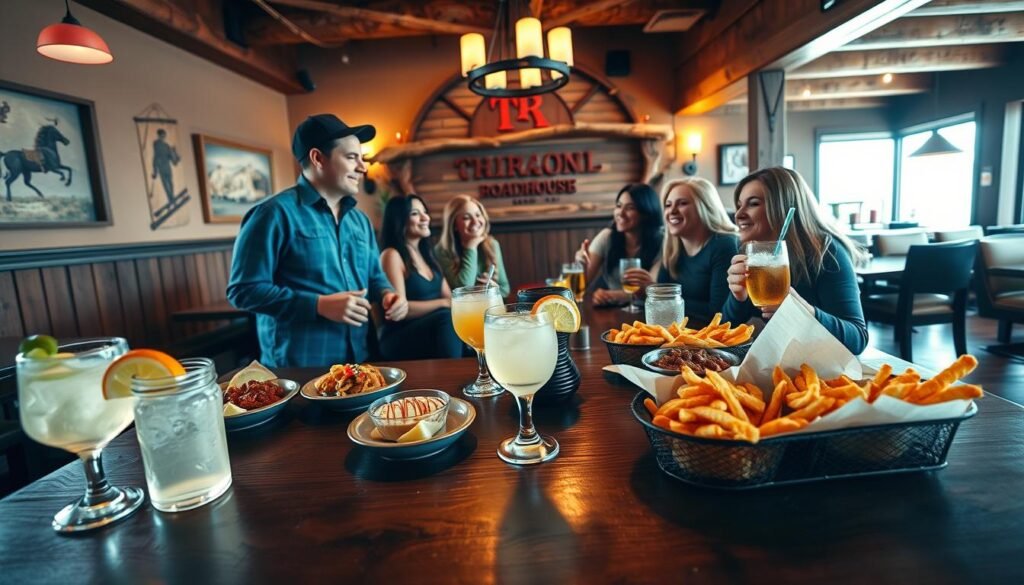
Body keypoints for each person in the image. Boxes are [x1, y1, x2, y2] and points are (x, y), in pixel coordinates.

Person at [226, 114, 407, 367]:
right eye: (351, 157)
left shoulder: (360, 221)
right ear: (318, 158)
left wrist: (389, 294)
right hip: (300, 369)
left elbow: (375, 276)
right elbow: (243, 291)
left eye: (361, 158)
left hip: (360, 362)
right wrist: (317, 305)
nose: (363, 168)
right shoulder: (273, 214)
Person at [724, 167, 868, 354]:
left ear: (783, 207)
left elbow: (857, 338)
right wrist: (738, 298)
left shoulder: (827, 252)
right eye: (739, 205)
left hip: (820, 371)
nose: (738, 214)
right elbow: (725, 333)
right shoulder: (750, 255)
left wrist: (805, 312)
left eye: (753, 204)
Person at [378, 194, 463, 360]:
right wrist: (443, 303)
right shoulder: (392, 255)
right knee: (446, 316)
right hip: (399, 336)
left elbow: (451, 299)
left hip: (434, 330)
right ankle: (453, 375)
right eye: (415, 213)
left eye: (425, 212)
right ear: (399, 219)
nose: (425, 218)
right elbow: (399, 310)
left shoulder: (428, 256)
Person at [649, 177, 738, 325]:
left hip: (712, 339)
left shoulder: (724, 244)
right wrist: (649, 293)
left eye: (682, 203)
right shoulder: (671, 246)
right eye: (668, 205)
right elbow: (661, 301)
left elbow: (716, 313)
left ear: (705, 207)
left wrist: (666, 299)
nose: (672, 211)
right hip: (679, 335)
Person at [574, 183, 663, 306]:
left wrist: (610, 295)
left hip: (645, 311)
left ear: (646, 212)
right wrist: (581, 264)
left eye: (630, 208)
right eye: (619, 206)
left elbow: (651, 288)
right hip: (611, 311)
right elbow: (580, 285)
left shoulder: (661, 242)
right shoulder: (607, 237)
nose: (620, 213)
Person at [434, 194, 511, 298]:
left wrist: (493, 289)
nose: (475, 222)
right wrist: (471, 248)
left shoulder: (492, 244)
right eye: (466, 218)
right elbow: (463, 291)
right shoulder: (442, 250)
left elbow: (505, 290)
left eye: (478, 215)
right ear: (454, 225)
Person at [152, 128, 181, 207]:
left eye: (164, 135)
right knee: (167, 185)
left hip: (167, 167)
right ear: (159, 135)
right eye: (162, 135)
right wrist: (155, 171)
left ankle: (172, 200)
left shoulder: (166, 146)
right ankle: (172, 200)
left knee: (170, 184)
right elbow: (156, 157)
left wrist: (174, 153)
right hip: (162, 167)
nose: (163, 137)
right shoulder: (157, 144)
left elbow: (171, 158)